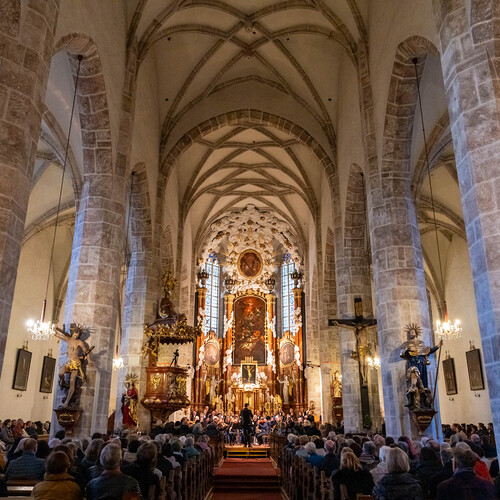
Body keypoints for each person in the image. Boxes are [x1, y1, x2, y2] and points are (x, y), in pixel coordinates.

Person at [55, 324, 94, 408]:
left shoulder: (79, 342)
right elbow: (57, 335)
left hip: (76, 363)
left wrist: (89, 360)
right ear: (72, 333)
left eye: (77, 334)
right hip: (69, 362)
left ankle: (66, 402)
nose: (76, 336)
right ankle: (62, 381)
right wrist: (54, 329)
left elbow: (86, 352)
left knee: (72, 381)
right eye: (75, 334)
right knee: (60, 373)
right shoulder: (68, 339)